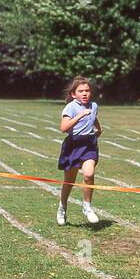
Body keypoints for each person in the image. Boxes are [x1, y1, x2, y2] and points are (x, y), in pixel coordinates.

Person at [57, 76, 101, 226]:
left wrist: (99, 128)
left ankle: (87, 207)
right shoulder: (71, 107)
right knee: (69, 181)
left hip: (89, 144)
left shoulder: (93, 105)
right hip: (73, 144)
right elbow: (64, 128)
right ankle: (62, 207)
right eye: (81, 91)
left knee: (88, 174)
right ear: (73, 94)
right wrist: (80, 115)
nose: (84, 94)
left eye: (87, 90)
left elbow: (93, 117)